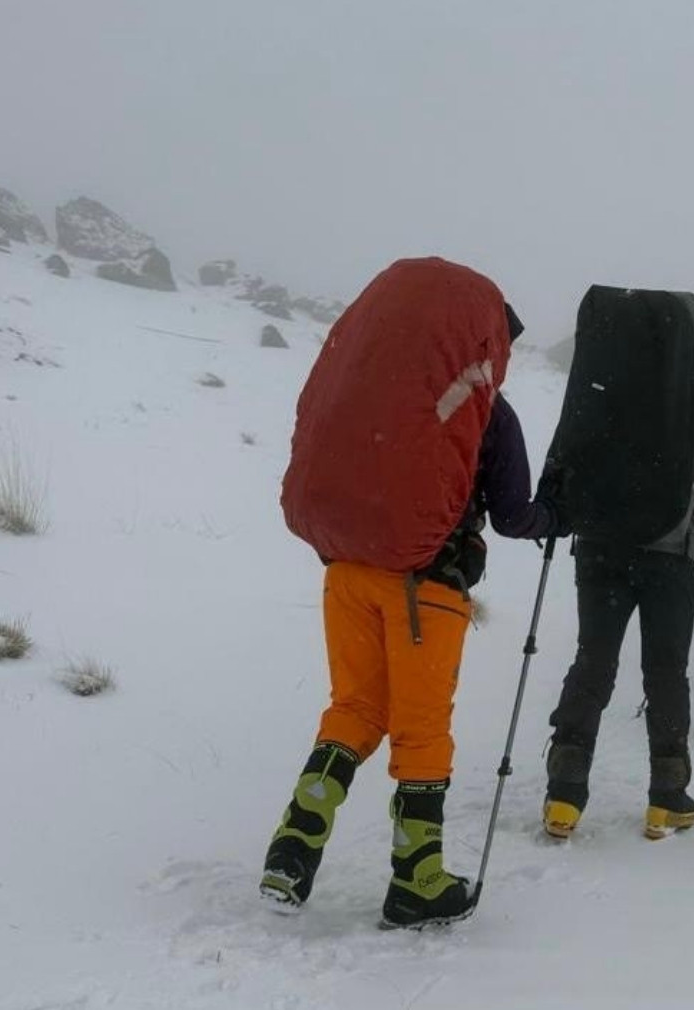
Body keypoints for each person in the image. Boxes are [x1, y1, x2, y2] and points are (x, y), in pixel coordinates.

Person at [259, 258, 563, 930]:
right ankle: (418, 880)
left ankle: (293, 846)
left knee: (355, 709)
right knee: (422, 730)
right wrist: (557, 518)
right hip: (427, 585)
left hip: (347, 569)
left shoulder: (373, 391)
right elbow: (514, 516)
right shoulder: (491, 414)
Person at [540, 289, 694, 841]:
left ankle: (565, 793)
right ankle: (667, 797)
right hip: (668, 556)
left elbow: (567, 443)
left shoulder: (603, 382)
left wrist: (553, 506)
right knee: (665, 671)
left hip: (598, 548)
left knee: (593, 660)